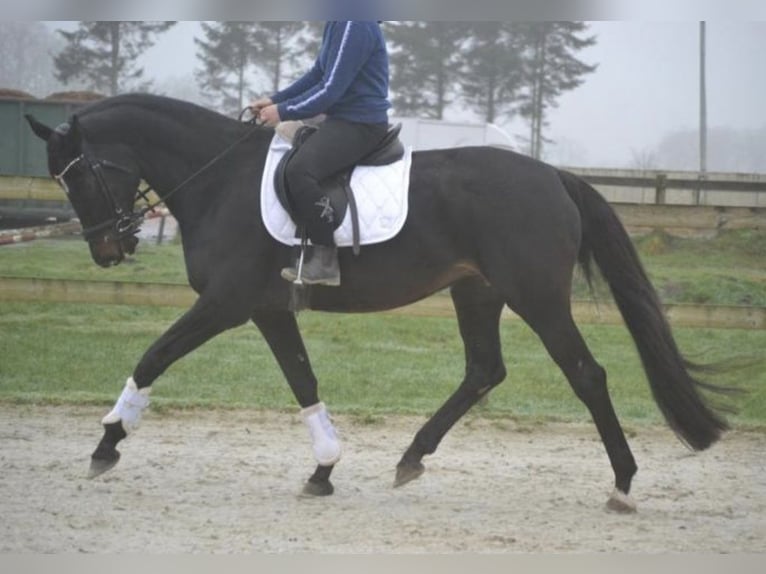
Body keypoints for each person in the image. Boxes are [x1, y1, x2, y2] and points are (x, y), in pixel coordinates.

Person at [251, 21, 391, 287]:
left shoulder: (354, 22)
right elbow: (318, 74)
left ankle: (325, 258)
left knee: (299, 171)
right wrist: (275, 100)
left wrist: (283, 111)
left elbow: (330, 90)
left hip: (359, 123)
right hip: (343, 119)